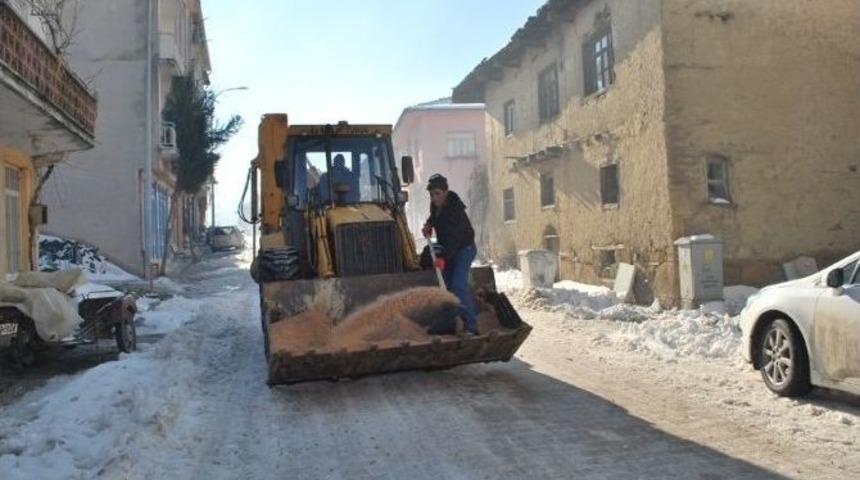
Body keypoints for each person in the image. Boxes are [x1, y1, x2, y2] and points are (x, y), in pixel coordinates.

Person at [422, 174, 479, 336]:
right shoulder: (435, 205)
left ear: (446, 192)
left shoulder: (455, 211)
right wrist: (429, 225)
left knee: (458, 285)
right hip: (449, 248)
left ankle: (471, 326)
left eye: (437, 193)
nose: (434, 198)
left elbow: (455, 239)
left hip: (464, 249)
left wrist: (443, 258)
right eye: (432, 194)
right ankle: (449, 322)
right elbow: (434, 217)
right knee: (445, 286)